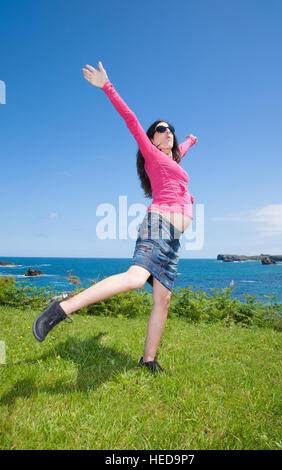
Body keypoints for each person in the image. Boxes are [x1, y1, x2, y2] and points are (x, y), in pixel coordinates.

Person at [32, 61, 198, 374]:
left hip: (173, 240)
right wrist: (108, 87)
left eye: (171, 130)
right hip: (158, 227)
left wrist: (190, 141)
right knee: (135, 278)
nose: (169, 133)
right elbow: (131, 120)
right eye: (162, 130)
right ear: (152, 137)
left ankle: (148, 360)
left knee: (162, 300)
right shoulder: (151, 154)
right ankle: (61, 309)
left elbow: (180, 154)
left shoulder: (173, 159)